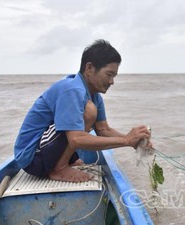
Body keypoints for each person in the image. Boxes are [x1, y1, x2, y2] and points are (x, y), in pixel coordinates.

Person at [14, 39, 151, 183]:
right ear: (89, 68)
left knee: (89, 111)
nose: (112, 81)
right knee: (89, 111)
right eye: (109, 74)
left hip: (45, 150)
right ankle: (59, 169)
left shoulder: (94, 95)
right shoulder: (72, 90)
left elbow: (103, 129)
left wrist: (134, 142)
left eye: (114, 76)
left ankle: (63, 162)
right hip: (32, 157)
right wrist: (126, 140)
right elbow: (76, 139)